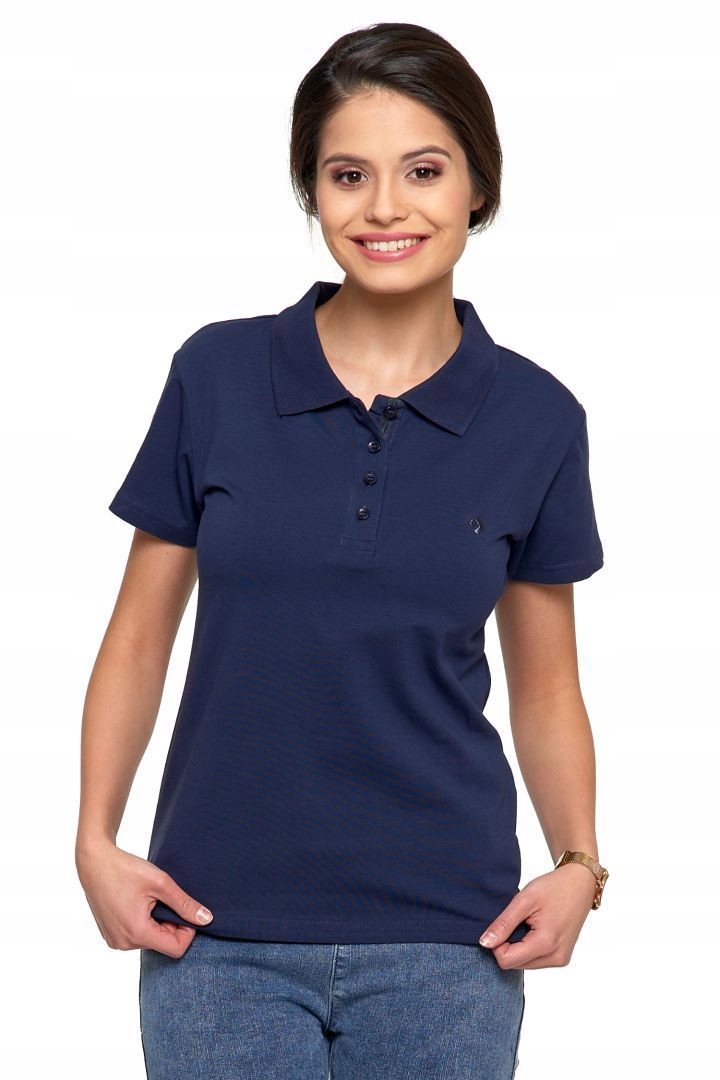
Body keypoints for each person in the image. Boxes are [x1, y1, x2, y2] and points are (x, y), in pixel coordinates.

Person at [75, 20, 609, 1080]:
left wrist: (580, 865)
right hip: (214, 934)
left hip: (451, 941)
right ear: (312, 193)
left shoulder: (539, 418)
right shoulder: (217, 375)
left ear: (478, 187)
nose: (385, 208)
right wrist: (95, 841)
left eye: (424, 170)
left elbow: (547, 686)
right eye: (348, 174)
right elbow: (138, 637)